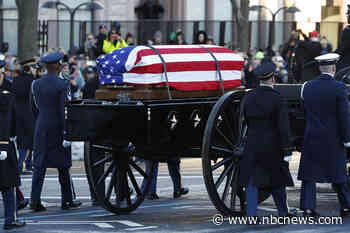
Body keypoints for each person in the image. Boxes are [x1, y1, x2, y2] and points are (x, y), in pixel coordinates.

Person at [238, 61, 294, 218]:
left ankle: (250, 214)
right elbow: (283, 126)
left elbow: (247, 120)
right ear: (273, 79)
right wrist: (287, 149)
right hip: (273, 145)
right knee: (277, 180)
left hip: (253, 142)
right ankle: (283, 212)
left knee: (252, 181)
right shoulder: (278, 98)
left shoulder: (249, 97)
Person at [298, 53, 350, 217]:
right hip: (333, 138)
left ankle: (307, 207)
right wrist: (347, 139)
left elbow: (303, 112)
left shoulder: (306, 86)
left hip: (312, 135)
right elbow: (344, 116)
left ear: (319, 68)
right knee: (338, 173)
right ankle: (346, 206)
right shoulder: (340, 88)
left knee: (309, 174)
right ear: (334, 68)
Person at [29, 53, 82, 212]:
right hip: (58, 128)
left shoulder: (35, 84)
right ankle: (67, 200)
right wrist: (67, 131)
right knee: (63, 166)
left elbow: (33, 108)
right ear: (57, 66)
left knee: (39, 165)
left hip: (41, 125)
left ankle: (34, 200)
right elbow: (64, 110)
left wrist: (40, 121)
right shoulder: (62, 84)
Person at [0, 60, 26, 230]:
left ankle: (11, 219)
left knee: (8, 184)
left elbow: (10, 118)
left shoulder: (8, 89)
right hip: (2, 143)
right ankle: (11, 219)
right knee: (7, 183)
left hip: (4, 142)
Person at [13, 58, 36, 175]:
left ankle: (25, 164)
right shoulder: (32, 81)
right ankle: (25, 164)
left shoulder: (15, 80)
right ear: (29, 69)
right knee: (29, 141)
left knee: (22, 140)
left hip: (18, 114)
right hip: (29, 114)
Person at [335, 5, 350, 72]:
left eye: (348, 14)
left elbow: (342, 49)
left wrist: (333, 55)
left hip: (346, 64)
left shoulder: (348, 30)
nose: (347, 16)